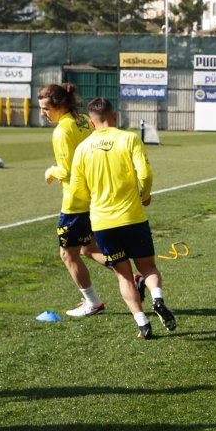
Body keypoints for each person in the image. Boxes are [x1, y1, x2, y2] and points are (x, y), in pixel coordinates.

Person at [68, 98, 176, 339]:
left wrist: (93, 201)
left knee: (124, 275)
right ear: (115, 116)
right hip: (133, 217)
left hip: (102, 222)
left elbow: (77, 189)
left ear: (91, 122)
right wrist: (144, 194)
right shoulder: (129, 138)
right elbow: (145, 173)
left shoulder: (83, 148)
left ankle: (142, 323)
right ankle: (157, 298)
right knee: (147, 267)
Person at [38, 83, 108, 318]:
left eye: (46, 108)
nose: (43, 113)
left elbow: (66, 170)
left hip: (76, 201)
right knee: (89, 248)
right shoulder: (85, 120)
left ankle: (93, 303)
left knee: (68, 255)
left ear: (60, 105)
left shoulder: (61, 130)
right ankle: (134, 278)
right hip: (95, 195)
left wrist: (51, 172)